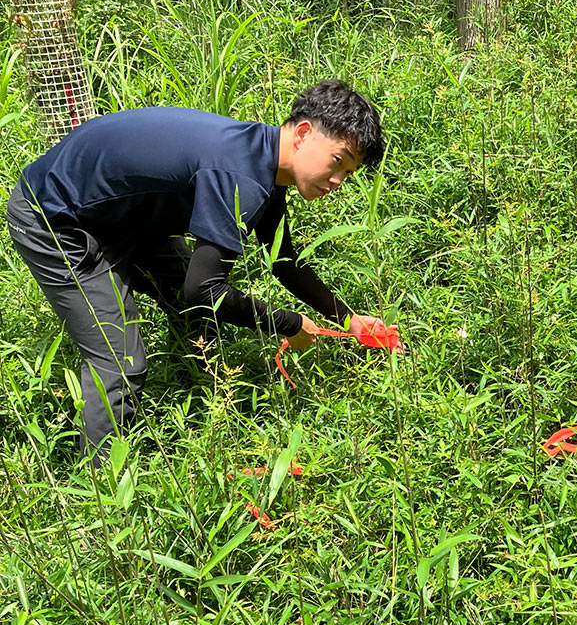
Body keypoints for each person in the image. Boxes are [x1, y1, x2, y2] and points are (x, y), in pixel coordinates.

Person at [5, 79, 393, 464]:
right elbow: (204, 288)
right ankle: (100, 499)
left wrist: (349, 319)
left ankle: (201, 404)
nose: (339, 181)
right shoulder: (240, 174)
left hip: (121, 215)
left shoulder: (263, 159)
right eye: (338, 161)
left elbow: (284, 262)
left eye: (350, 172)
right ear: (304, 134)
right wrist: (288, 323)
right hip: (54, 217)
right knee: (120, 364)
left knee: (196, 310)